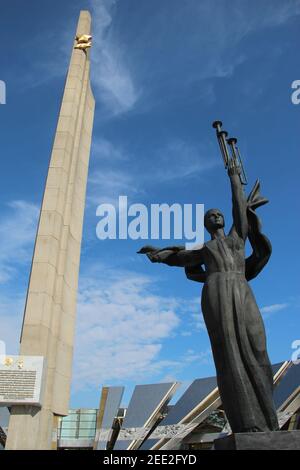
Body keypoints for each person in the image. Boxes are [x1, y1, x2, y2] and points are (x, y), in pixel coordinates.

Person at [139, 163, 279, 433]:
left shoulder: (237, 238)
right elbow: (179, 257)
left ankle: (268, 420)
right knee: (228, 352)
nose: (215, 216)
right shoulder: (204, 248)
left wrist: (234, 177)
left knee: (257, 346)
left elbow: (239, 207)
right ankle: (246, 423)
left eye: (218, 214)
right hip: (216, 293)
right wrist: (159, 255)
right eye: (210, 215)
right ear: (206, 224)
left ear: (224, 220)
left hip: (241, 288)